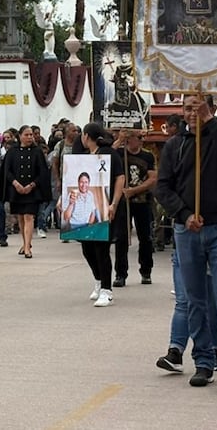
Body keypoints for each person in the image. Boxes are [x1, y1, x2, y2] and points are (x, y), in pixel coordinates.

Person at [155, 95, 217, 392]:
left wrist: (209, 121)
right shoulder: (174, 145)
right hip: (187, 229)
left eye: (198, 106)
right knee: (195, 299)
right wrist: (184, 213)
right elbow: (163, 187)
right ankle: (203, 360)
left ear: (212, 108)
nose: (192, 112)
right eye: (187, 107)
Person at [74, 123, 124, 308]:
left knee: (101, 249)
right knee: (87, 248)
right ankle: (98, 280)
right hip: (87, 209)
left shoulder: (109, 153)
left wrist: (114, 204)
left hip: (106, 206)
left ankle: (106, 290)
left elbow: (120, 178)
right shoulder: (86, 157)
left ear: (86, 136)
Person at [112, 129, 156, 285]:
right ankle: (120, 274)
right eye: (137, 137)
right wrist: (118, 140)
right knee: (121, 237)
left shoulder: (147, 155)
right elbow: (106, 156)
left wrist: (135, 190)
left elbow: (152, 178)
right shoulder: (119, 153)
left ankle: (146, 270)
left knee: (146, 237)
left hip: (142, 200)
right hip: (124, 202)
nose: (140, 140)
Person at [1, 125, 50, 258]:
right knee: (21, 217)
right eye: (27, 135)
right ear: (20, 136)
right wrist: (15, 184)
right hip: (16, 189)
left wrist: (32, 185)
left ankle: (28, 247)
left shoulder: (37, 151)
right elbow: (7, 170)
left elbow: (43, 172)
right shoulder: (12, 151)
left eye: (31, 135)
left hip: (32, 190)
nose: (30, 137)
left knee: (29, 216)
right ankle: (24, 243)